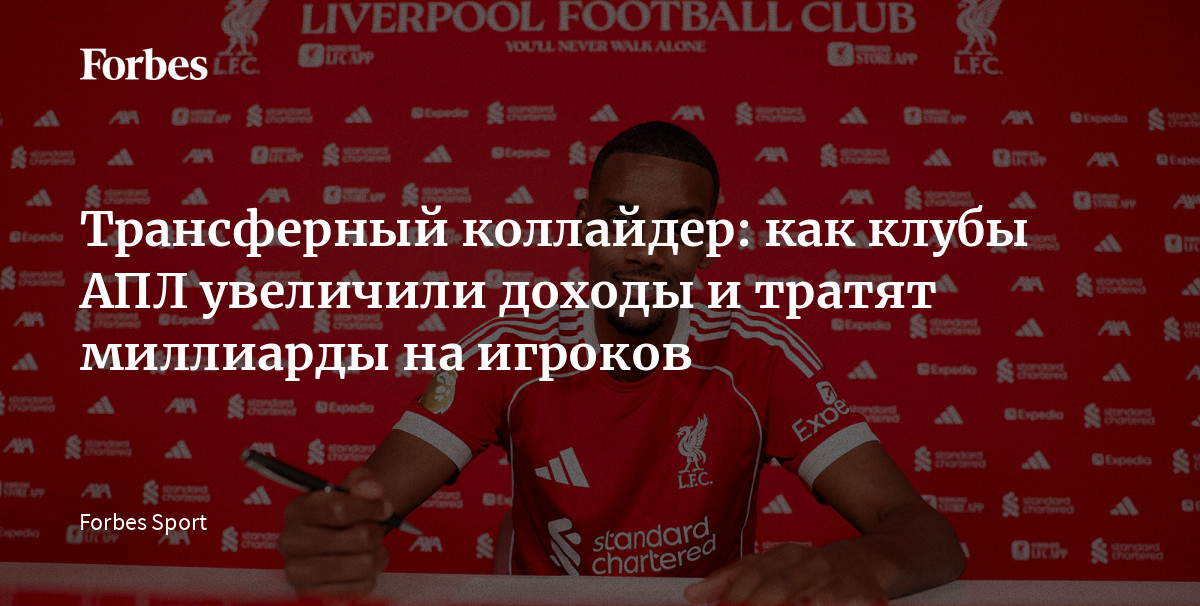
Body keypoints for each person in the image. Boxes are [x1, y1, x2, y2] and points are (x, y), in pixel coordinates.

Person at [279, 121, 965, 602]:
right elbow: (367, 506)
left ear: (708, 244)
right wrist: (336, 534)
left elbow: (927, 535)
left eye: (679, 228)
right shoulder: (509, 350)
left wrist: (858, 565)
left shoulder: (759, 356)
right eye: (622, 218)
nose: (645, 251)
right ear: (584, 222)